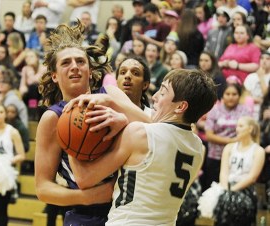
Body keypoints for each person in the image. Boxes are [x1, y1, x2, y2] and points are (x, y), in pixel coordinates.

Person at [66, 69, 218, 225]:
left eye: (163, 92)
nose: (155, 96)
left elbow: (84, 178)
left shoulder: (141, 134)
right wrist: (112, 104)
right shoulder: (198, 148)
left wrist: (70, 139)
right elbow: (160, 127)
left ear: (181, 107)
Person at [35, 21, 149, 226]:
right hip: (85, 215)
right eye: (66, 63)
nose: (74, 67)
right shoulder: (53, 118)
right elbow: (43, 188)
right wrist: (88, 196)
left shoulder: (111, 95)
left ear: (90, 69)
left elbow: (155, 129)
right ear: (54, 75)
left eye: (80, 61)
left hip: (130, 211)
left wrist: (121, 117)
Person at [199, 116, 265, 226]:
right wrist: (225, 190)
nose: (237, 129)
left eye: (241, 126)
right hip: (226, 188)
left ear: (250, 129)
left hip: (245, 191)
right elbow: (223, 172)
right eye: (237, 126)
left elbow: (252, 177)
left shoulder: (258, 151)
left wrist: (233, 190)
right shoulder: (229, 147)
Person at [203, 82, 252, 190]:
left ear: (239, 96)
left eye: (234, 94)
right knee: (212, 189)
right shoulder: (214, 110)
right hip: (215, 156)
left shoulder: (245, 111)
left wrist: (234, 142)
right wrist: (231, 141)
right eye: (227, 94)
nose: (231, 97)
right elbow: (209, 135)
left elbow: (249, 132)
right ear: (222, 95)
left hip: (236, 157)